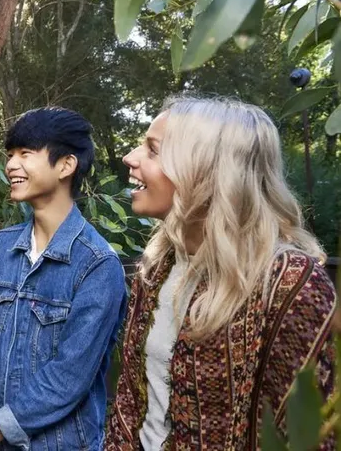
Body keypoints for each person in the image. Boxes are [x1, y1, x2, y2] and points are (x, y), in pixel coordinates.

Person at [105, 96, 336, 450]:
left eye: (152, 150)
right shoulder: (157, 265)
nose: (130, 158)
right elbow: (130, 399)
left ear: (205, 170)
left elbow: (309, 436)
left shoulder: (291, 283)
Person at [0, 107, 128, 451]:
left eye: (26, 153)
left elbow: (70, 376)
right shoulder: (2, 247)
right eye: (10, 155)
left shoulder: (98, 265)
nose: (11, 165)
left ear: (66, 165)